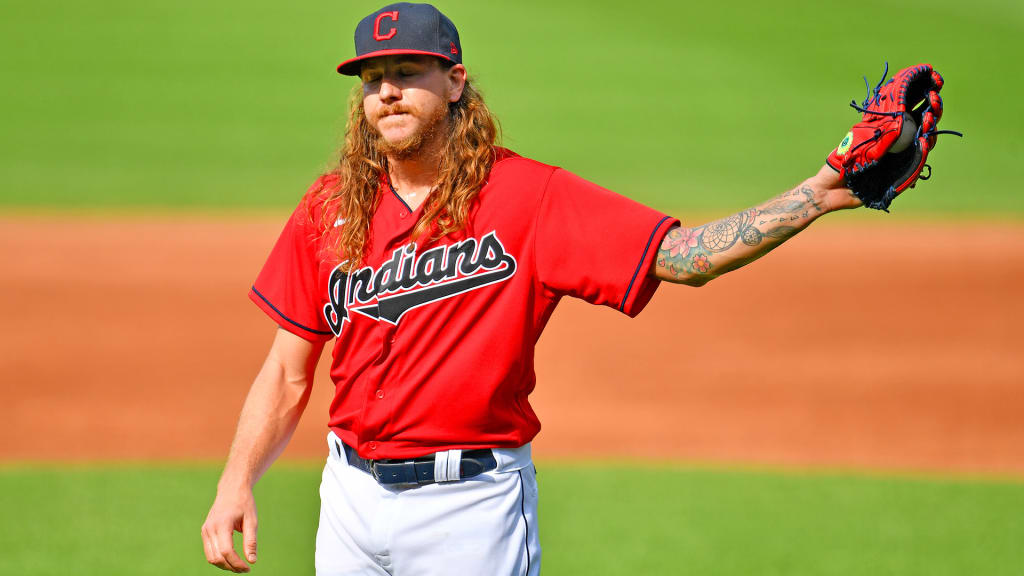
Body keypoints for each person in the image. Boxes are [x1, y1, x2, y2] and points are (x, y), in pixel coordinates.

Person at [201, 3, 867, 574]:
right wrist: (238, 480)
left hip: (470, 509)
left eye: (408, 73)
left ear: (456, 81)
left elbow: (684, 257)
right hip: (348, 500)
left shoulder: (528, 197)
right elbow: (288, 373)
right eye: (373, 80)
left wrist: (817, 194)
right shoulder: (330, 207)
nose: (388, 93)